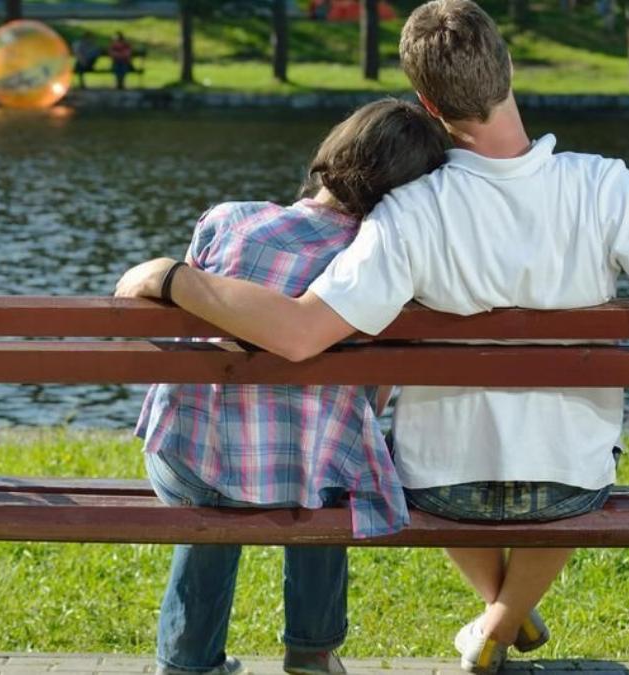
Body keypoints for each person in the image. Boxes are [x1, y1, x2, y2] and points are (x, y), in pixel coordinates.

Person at [114, 1, 629, 672]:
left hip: (443, 488)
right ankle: (499, 620)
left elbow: (298, 332)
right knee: (574, 455)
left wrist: (179, 279)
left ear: (427, 103)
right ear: (507, 68)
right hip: (569, 485)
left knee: (431, 440)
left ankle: (498, 616)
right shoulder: (605, 187)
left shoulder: (409, 210)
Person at [136, 98, 448, 675]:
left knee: (215, 470)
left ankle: (185, 663)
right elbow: (373, 396)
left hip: (190, 464)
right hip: (307, 480)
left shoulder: (227, 220)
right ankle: (312, 650)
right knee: (332, 465)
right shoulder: (377, 264)